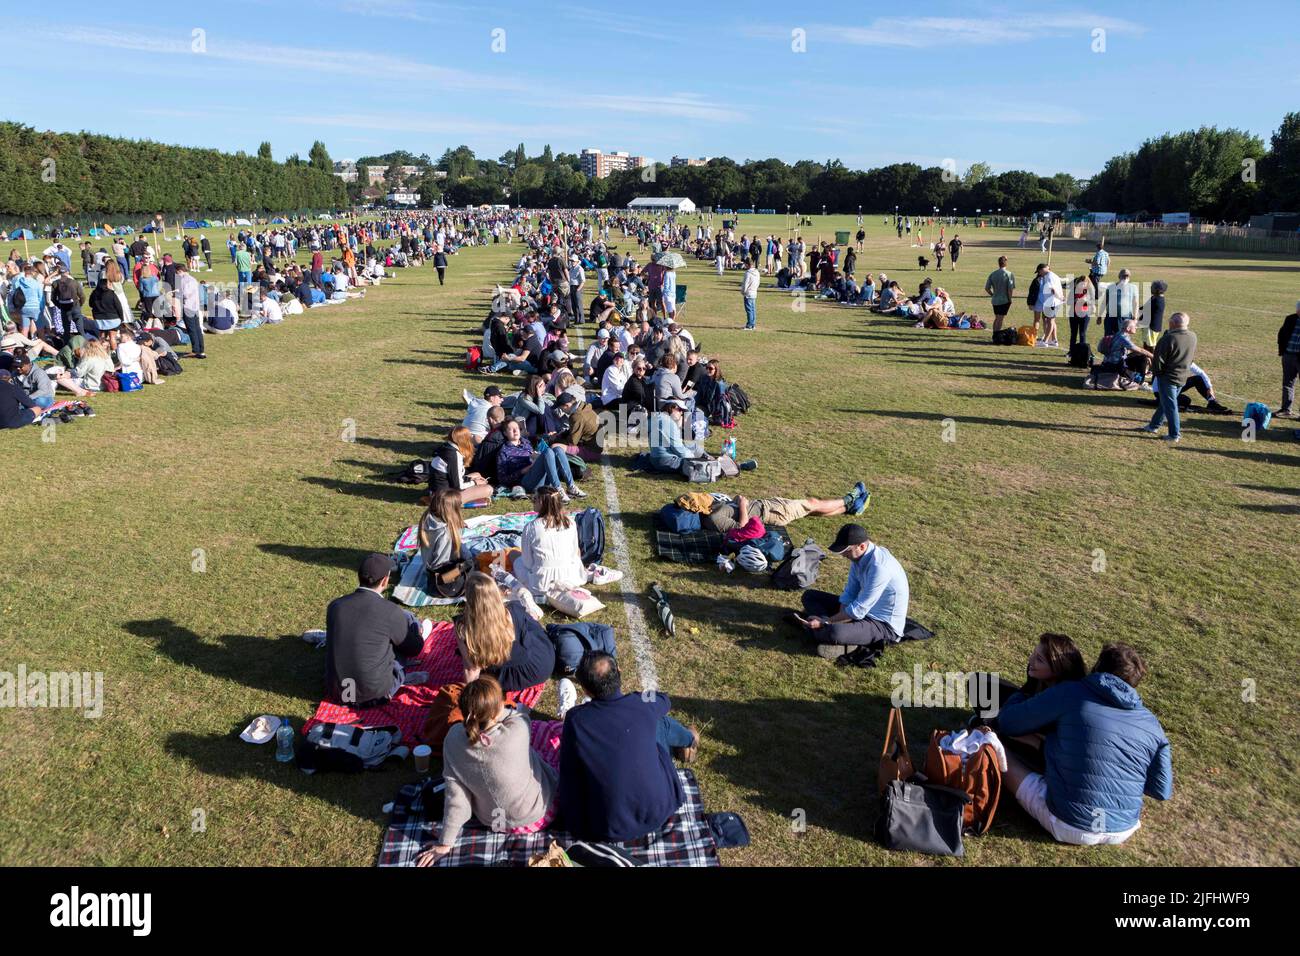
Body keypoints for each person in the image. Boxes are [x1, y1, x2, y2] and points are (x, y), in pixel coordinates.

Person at [998, 643, 1172, 846]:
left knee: (994, 747)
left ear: (1097, 666)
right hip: (1123, 829)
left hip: (1068, 823)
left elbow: (1008, 722)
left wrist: (1024, 690)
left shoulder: (1072, 692)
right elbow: (1161, 790)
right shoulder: (1151, 723)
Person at [416, 674, 559, 864]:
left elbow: (456, 798)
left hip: (493, 821)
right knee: (551, 736)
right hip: (539, 814)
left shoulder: (452, 739)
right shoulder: (518, 728)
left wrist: (446, 843)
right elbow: (520, 712)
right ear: (495, 712)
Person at [557, 651, 697, 842]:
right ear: (620, 672)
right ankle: (689, 739)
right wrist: (639, 696)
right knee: (660, 723)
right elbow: (663, 699)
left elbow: (569, 775)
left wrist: (575, 822)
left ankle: (688, 740)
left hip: (607, 827)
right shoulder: (640, 703)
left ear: (586, 690)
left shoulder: (575, 719)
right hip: (661, 810)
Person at [324, 553, 428, 707]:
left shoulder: (335, 605)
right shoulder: (390, 611)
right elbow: (414, 649)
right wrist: (417, 633)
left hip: (339, 691)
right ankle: (400, 679)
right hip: (373, 694)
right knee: (405, 629)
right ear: (385, 580)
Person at [795, 524, 909, 658]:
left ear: (861, 546)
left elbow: (859, 609)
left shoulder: (880, 568)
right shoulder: (859, 558)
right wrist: (835, 618)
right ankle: (828, 630)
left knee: (835, 632)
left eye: (846, 551)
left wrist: (826, 622)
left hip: (882, 625)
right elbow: (850, 593)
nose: (843, 555)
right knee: (809, 596)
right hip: (862, 612)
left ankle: (843, 640)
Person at [454, 572, 555, 692]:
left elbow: (471, 669)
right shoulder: (513, 610)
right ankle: (531, 609)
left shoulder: (464, 628)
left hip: (504, 679)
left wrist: (470, 695)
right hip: (539, 666)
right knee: (529, 622)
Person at [699, 482, 870, 534]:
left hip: (768, 507)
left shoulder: (709, 510)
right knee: (811, 503)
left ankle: (851, 508)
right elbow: (742, 527)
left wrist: (735, 501)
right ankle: (850, 497)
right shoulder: (713, 519)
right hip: (772, 513)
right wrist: (743, 506)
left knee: (811, 511)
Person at [512, 486, 590, 599]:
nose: (532, 501)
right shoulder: (570, 523)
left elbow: (527, 563)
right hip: (571, 578)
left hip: (541, 584)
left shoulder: (531, 527)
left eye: (535, 499)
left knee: (516, 558)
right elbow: (574, 553)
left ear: (541, 502)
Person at [1140, 312, 1196, 443]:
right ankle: (1153, 426)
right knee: (1166, 403)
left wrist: (1158, 375)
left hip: (1168, 378)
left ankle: (1174, 434)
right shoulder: (1193, 336)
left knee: (1171, 406)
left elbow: (1158, 361)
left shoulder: (1168, 338)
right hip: (1183, 377)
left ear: (1173, 323)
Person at [495, 417, 584, 500]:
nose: (515, 431)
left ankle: (571, 486)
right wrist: (524, 470)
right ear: (505, 433)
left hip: (541, 476)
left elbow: (534, 458)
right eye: (511, 429)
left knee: (557, 449)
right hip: (526, 482)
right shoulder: (504, 451)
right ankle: (557, 489)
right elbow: (502, 479)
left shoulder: (525, 443)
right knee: (548, 451)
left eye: (517, 428)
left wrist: (536, 456)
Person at [428, 425, 493, 506]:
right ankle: (459, 503)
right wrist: (475, 482)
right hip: (444, 498)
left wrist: (472, 479)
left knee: (477, 474)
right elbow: (458, 486)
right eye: (470, 436)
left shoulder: (446, 448)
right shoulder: (454, 456)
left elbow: (453, 478)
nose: (471, 438)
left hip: (437, 491)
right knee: (488, 489)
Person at [646, 398, 700, 474]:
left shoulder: (656, 417)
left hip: (654, 458)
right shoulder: (668, 422)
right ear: (671, 408)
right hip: (667, 461)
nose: (681, 413)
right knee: (698, 466)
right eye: (680, 410)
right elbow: (680, 451)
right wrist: (694, 457)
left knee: (693, 447)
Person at [1275, 300, 1300, 418]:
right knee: (1287, 384)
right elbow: (1281, 334)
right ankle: (1285, 409)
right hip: (1288, 355)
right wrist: (1282, 351)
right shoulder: (1290, 319)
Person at [1034, 263, 1064, 348]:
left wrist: (1060, 297)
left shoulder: (1049, 277)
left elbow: (1053, 290)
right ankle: (1054, 340)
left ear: (1042, 269)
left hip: (1052, 302)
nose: (1039, 274)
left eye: (1039, 272)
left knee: (1050, 321)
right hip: (1055, 302)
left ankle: (1045, 341)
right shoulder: (1054, 275)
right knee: (1052, 321)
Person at [984, 256, 1015, 333]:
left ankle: (995, 334)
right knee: (1000, 318)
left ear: (999, 263)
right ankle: (996, 335)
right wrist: (1010, 299)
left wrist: (992, 295)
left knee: (997, 318)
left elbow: (987, 288)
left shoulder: (993, 274)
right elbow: (1010, 289)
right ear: (1006, 263)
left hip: (995, 300)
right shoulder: (1009, 274)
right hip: (1004, 300)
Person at [741, 256, 760, 330]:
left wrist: (743, 292)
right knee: (753, 309)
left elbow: (745, 284)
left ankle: (749, 325)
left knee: (749, 310)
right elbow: (758, 282)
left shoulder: (748, 273)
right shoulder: (757, 272)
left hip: (748, 293)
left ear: (747, 264)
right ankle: (753, 324)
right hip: (754, 292)